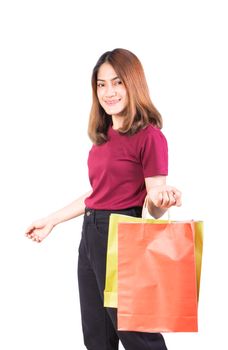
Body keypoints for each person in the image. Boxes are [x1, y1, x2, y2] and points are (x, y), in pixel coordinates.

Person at [25, 48, 182, 350]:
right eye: (101, 84)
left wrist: (162, 200)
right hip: (91, 235)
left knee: (137, 334)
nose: (108, 92)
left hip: (122, 235)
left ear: (133, 84)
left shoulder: (149, 137)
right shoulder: (104, 136)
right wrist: (51, 221)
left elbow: (153, 201)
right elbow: (98, 194)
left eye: (117, 82)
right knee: (97, 336)